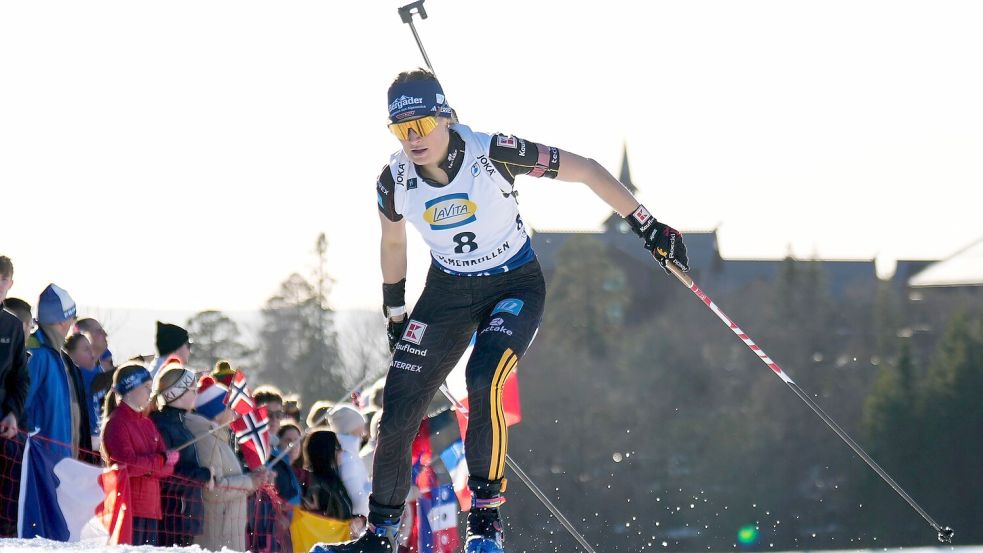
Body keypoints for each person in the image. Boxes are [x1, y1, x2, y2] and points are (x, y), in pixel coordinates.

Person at [320, 69, 690, 553]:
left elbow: (589, 170)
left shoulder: (494, 152)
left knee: (483, 376)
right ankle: (381, 533)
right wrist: (394, 312)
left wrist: (647, 224)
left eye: (422, 124)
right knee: (399, 405)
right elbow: (393, 243)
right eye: (401, 129)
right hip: (448, 290)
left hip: (513, 284)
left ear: (445, 117)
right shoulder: (394, 180)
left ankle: (486, 523)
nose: (413, 138)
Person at [185, 376, 268, 552]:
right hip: (217, 536)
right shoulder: (206, 439)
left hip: (226, 532)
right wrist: (250, 482)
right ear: (216, 410)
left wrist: (253, 477)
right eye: (230, 406)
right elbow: (213, 489)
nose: (235, 412)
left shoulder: (217, 438)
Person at [101, 362, 179, 545]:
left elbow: (166, 469)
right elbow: (126, 466)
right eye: (146, 387)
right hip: (129, 507)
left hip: (151, 507)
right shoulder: (117, 423)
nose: (150, 393)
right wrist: (160, 461)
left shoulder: (147, 423)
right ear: (130, 388)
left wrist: (164, 462)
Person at [149, 359, 212, 546]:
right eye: (193, 390)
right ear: (179, 393)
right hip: (172, 517)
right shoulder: (163, 426)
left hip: (184, 517)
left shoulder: (179, 424)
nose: (196, 395)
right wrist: (203, 475)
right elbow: (168, 475)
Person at [25, 284, 88, 460]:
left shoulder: (56, 354)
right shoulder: (37, 354)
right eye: (72, 318)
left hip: (58, 461)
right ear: (62, 321)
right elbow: (22, 405)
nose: (71, 324)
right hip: (43, 462)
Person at [0, 257, 29, 537]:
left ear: (10, 283)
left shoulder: (11, 326)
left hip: (4, 430)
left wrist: (13, 413)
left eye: (3, 279)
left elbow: (20, 378)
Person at [301, 429, 354, 525]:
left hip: (341, 537)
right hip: (328, 538)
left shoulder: (333, 479)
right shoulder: (315, 484)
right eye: (338, 447)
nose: (342, 451)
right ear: (327, 451)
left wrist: (359, 519)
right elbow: (326, 519)